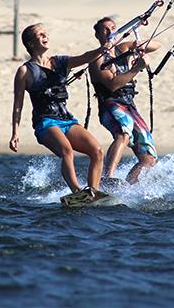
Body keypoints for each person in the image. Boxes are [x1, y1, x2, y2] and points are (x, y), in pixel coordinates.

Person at [10, 23, 109, 195]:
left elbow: (85, 57)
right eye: (40, 35)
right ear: (31, 44)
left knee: (97, 151)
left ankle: (93, 192)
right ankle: (77, 192)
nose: (45, 36)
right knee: (66, 150)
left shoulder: (60, 62)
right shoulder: (24, 71)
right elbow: (18, 105)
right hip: (45, 123)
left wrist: (102, 49)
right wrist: (15, 133)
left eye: (45, 33)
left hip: (66, 120)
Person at [89, 17, 161, 184]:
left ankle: (129, 188)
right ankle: (108, 178)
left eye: (112, 28)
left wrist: (140, 44)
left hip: (129, 106)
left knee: (149, 158)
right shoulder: (97, 59)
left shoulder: (123, 48)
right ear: (98, 35)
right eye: (105, 30)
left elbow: (157, 45)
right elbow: (113, 85)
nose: (109, 32)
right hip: (110, 105)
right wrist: (137, 68)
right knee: (124, 133)